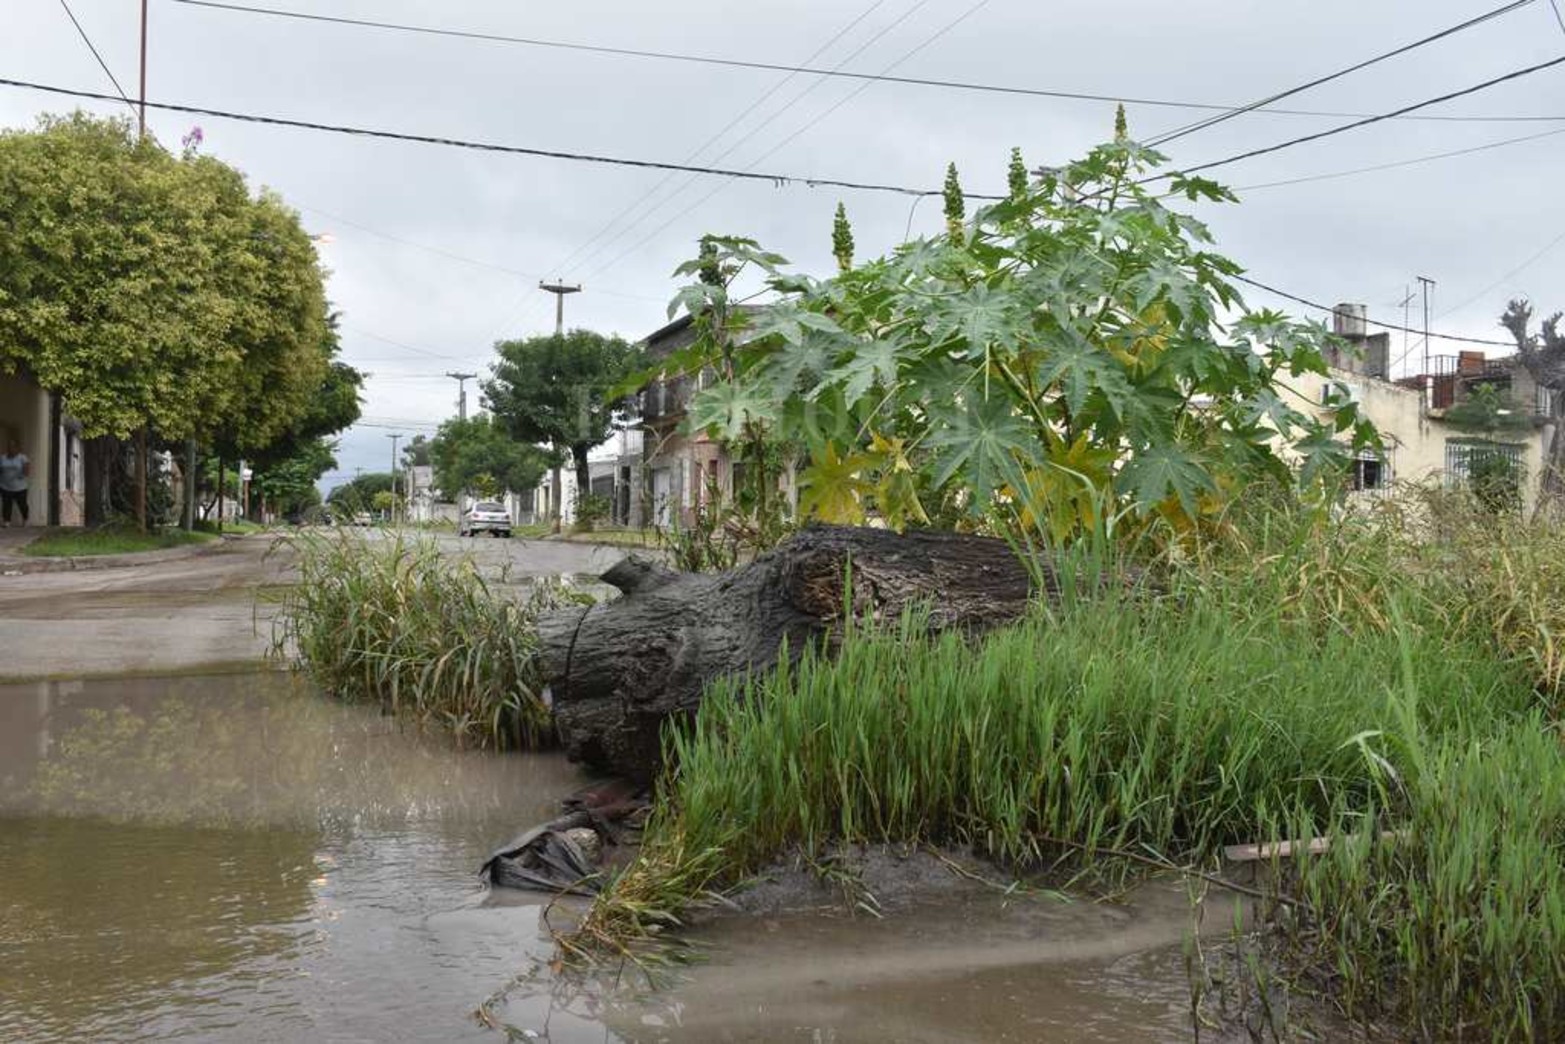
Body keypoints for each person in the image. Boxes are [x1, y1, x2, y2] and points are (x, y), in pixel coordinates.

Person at [0, 436, 30, 527]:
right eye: (9, 446)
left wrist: (24, 470)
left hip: (20, 487)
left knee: (22, 505)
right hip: (5, 485)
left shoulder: (23, 458)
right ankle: (7, 522)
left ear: (17, 448)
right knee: (6, 504)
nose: (11, 448)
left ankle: (25, 519)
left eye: (13, 446)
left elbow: (27, 471)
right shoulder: (2, 458)